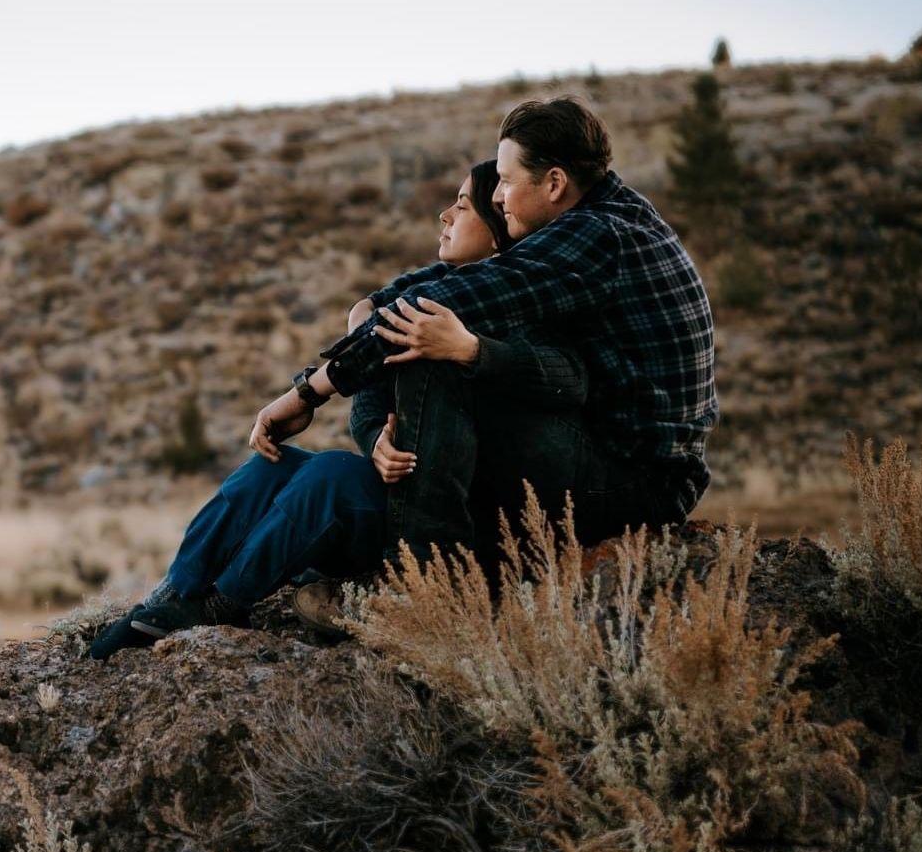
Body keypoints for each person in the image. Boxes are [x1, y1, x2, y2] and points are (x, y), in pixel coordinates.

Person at [89, 157, 588, 658]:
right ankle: (176, 591)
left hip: (452, 521)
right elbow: (368, 390)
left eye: (461, 206)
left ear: (500, 222)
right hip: (395, 493)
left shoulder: (521, 312)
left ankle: (223, 604)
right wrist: (375, 440)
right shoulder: (428, 296)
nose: (444, 215)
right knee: (271, 465)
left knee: (327, 477)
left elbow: (552, 391)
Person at [310, 93, 717, 570]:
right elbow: (430, 291)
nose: (499, 196)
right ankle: (435, 569)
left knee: (436, 354)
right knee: (437, 341)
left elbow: (447, 301)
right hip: (604, 451)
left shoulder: (596, 235)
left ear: (554, 183)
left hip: (639, 482)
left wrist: (308, 393)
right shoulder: (609, 214)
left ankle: (424, 580)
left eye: (505, 181)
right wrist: (369, 314)